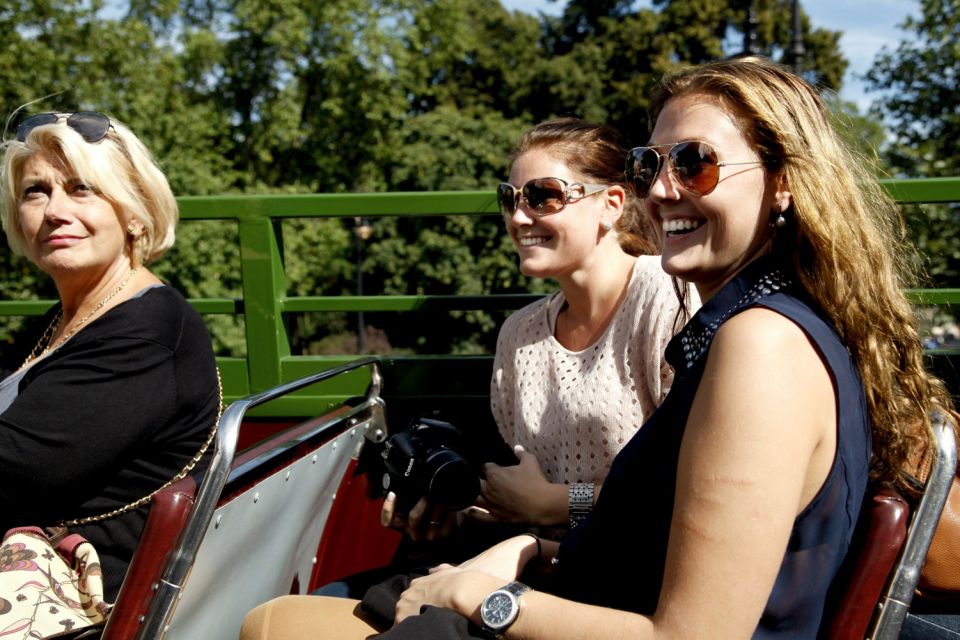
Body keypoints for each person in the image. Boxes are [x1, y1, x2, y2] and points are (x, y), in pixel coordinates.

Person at [240, 56, 952, 639]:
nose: (663, 189)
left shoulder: (757, 344)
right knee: (279, 621)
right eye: (650, 164)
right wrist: (522, 543)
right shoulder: (731, 329)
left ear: (784, 183)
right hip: (581, 583)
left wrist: (482, 595)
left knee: (277, 627)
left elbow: (692, 636)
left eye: (696, 164)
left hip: (583, 613)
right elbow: (650, 542)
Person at [384, 118, 692, 548]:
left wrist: (557, 504)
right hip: (540, 564)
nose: (519, 217)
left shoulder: (666, 300)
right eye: (509, 200)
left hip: (632, 577)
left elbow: (688, 491)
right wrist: (450, 504)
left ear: (612, 204)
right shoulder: (519, 335)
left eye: (543, 196)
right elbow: (523, 500)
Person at [0, 111, 220, 603]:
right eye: (36, 191)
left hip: (72, 593)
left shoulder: (146, 334)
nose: (55, 210)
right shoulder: (67, 317)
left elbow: (13, 471)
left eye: (81, 189)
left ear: (135, 211)